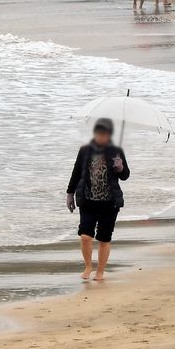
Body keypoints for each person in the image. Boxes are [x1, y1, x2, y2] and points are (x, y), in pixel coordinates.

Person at [66, 118, 130, 281]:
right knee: (85, 236)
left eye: (105, 134)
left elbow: (125, 176)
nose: (101, 137)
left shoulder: (116, 151)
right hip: (88, 201)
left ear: (109, 135)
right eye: (99, 134)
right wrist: (70, 194)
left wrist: (120, 167)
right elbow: (76, 172)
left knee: (104, 238)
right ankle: (88, 266)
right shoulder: (85, 150)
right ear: (95, 133)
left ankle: (100, 271)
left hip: (109, 203)